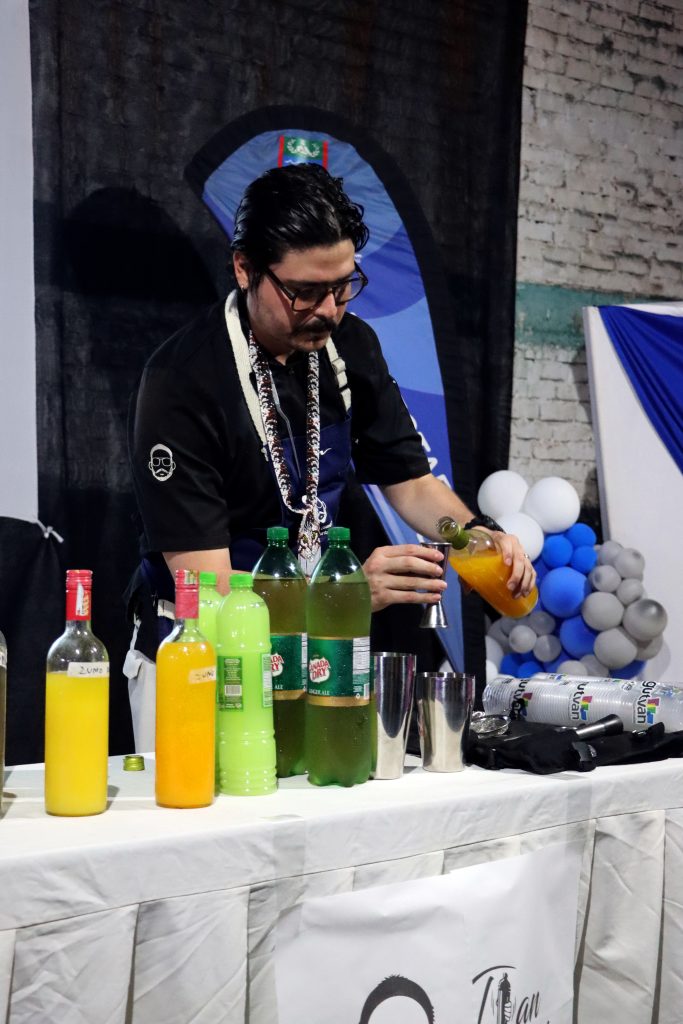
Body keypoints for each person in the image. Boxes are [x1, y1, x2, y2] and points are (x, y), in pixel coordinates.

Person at [124, 164, 534, 748]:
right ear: (244, 267)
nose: (329, 310)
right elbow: (204, 582)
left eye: (343, 287)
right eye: (305, 293)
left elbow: (411, 482)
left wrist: (475, 537)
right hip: (205, 654)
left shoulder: (352, 346)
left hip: (318, 653)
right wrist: (343, 592)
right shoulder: (181, 381)